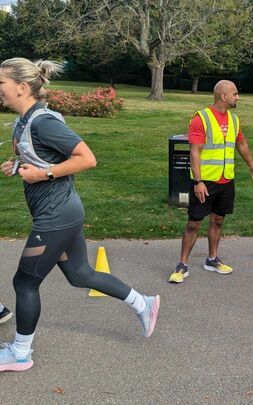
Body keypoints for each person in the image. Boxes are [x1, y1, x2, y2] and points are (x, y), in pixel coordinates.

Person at [0, 58, 160, 372]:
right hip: (63, 212)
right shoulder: (24, 120)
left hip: (55, 216)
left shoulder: (43, 121)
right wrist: (18, 166)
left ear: (20, 87)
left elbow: (87, 158)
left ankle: (20, 353)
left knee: (25, 283)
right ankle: (144, 303)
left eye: (1, 83)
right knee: (80, 274)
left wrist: (43, 175)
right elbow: (41, 155)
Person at [169, 80, 253, 283]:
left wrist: (251, 164)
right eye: (235, 94)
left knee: (218, 220)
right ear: (223, 96)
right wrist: (198, 182)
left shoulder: (234, 119)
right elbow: (195, 152)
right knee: (194, 223)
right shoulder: (201, 118)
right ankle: (182, 265)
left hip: (226, 180)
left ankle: (212, 260)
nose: (237, 97)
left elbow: (241, 143)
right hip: (205, 181)